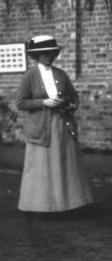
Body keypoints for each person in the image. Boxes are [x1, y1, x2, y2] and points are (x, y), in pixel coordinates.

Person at [16, 35, 92, 212]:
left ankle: (66, 204)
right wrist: (43, 103)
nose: (49, 57)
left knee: (64, 164)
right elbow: (21, 102)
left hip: (62, 125)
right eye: (45, 54)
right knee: (43, 167)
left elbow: (73, 96)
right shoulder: (30, 76)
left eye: (52, 53)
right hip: (41, 128)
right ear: (37, 56)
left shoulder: (60, 74)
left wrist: (68, 103)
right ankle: (42, 206)